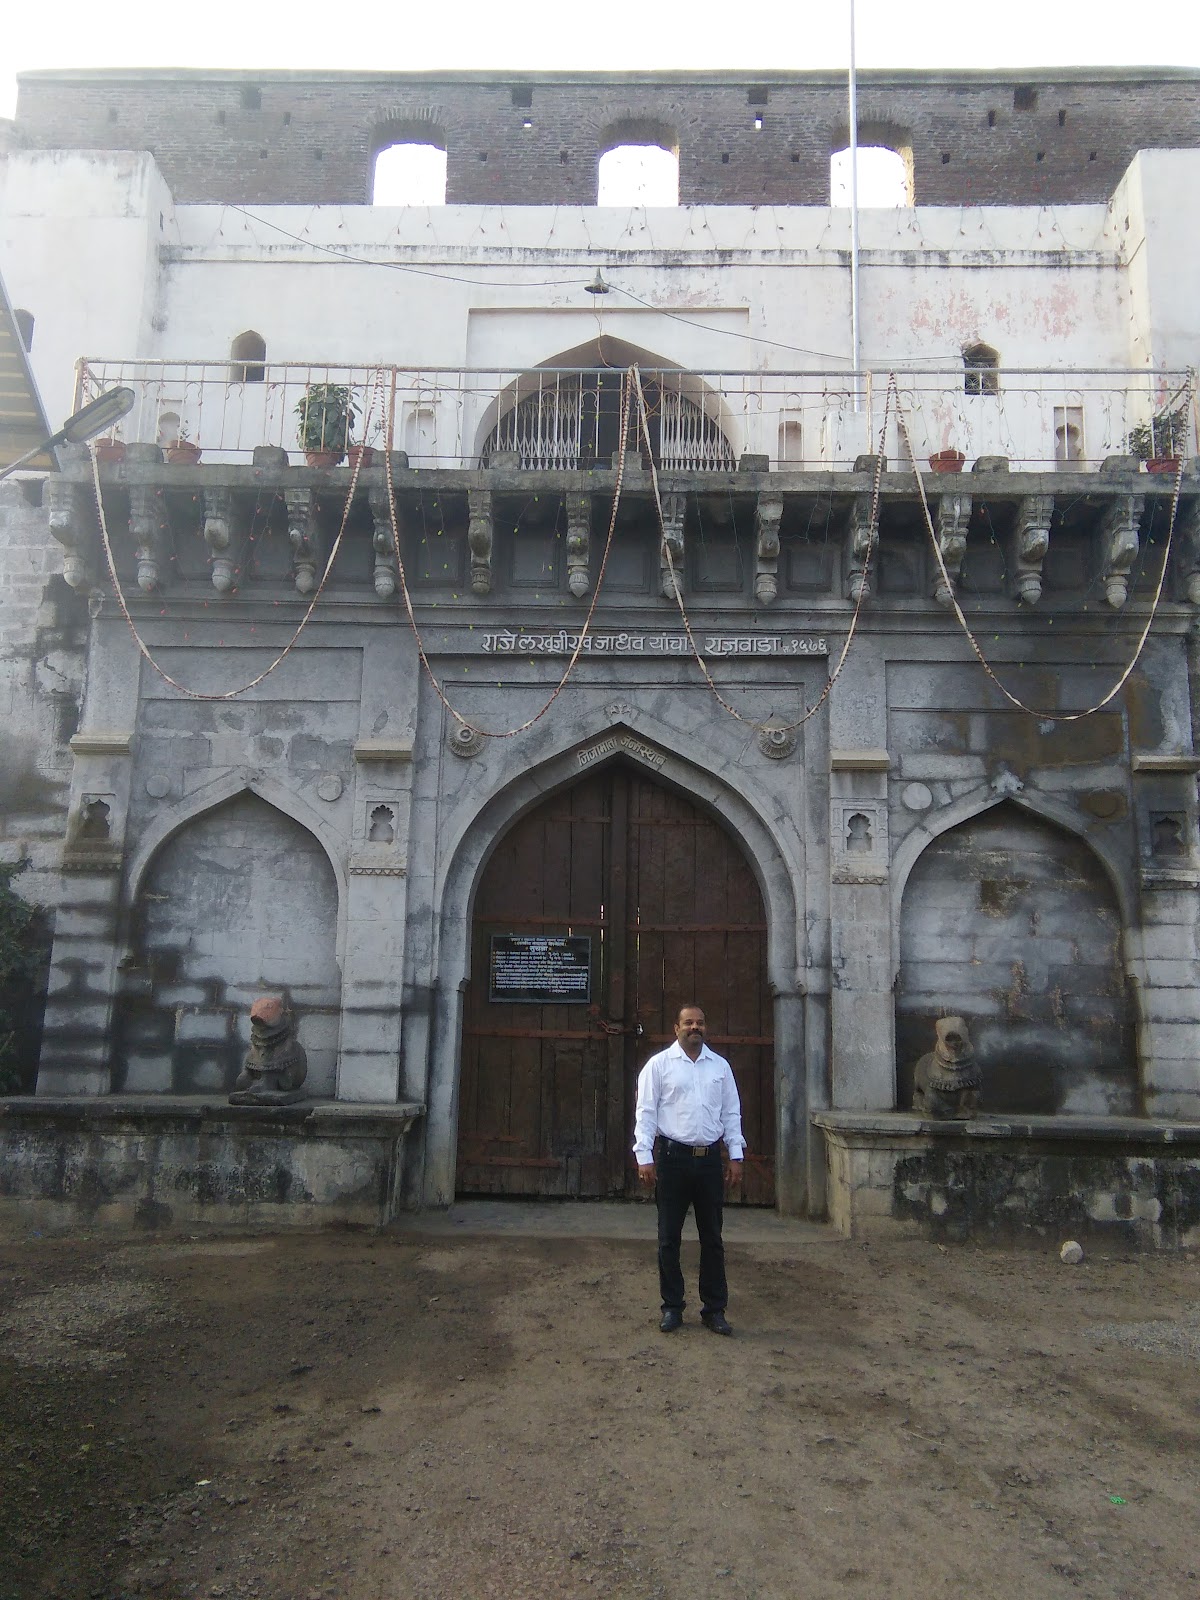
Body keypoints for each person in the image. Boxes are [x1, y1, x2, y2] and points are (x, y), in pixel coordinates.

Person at [632, 1004, 745, 1335]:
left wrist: (735, 1155)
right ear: (676, 1028)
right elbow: (646, 1112)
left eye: (700, 1023)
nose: (695, 1027)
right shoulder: (659, 1066)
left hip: (709, 1161)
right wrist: (643, 1155)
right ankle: (672, 1307)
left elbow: (731, 1113)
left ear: (705, 1028)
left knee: (712, 1238)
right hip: (673, 1159)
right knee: (669, 1237)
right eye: (688, 1023)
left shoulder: (720, 1067)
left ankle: (714, 1309)